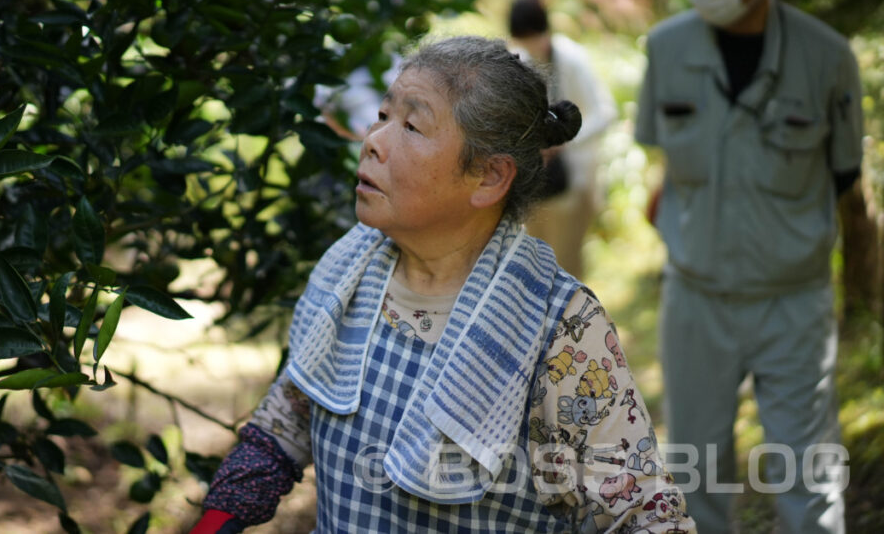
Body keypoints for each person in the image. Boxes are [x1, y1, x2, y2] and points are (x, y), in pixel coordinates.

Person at [191, 36, 694, 533]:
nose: (374, 141)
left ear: (489, 177)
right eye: (384, 116)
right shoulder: (349, 273)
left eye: (411, 125)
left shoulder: (558, 329)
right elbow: (291, 413)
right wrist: (218, 518)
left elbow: (643, 515)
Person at [635, 0, 861, 533]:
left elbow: (843, 172)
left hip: (793, 300)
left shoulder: (827, 57)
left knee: (808, 476)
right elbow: (664, 163)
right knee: (694, 472)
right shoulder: (667, 48)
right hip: (696, 295)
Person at [509, 0, 617, 278]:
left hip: (573, 180)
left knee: (565, 264)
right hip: (539, 181)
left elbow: (604, 112)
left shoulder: (571, 59)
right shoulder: (525, 59)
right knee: (537, 262)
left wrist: (564, 141)